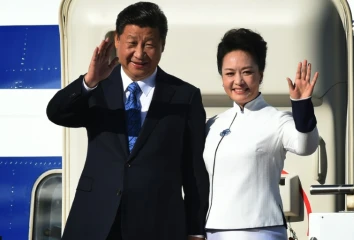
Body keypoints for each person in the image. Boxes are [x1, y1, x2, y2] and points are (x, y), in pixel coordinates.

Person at [46, 2, 209, 240]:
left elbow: (194, 171)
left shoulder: (185, 96)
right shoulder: (98, 87)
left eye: (149, 44)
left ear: (162, 45)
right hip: (95, 220)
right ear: (117, 42)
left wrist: (195, 230)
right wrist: (89, 81)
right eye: (132, 43)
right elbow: (56, 113)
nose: (140, 53)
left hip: (157, 223)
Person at [203, 28, 319, 240]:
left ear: (261, 74)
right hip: (214, 231)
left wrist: (301, 104)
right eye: (230, 73)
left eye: (247, 72)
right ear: (222, 77)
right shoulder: (212, 124)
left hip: (262, 230)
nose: (238, 81)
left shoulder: (277, 120)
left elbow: (306, 145)